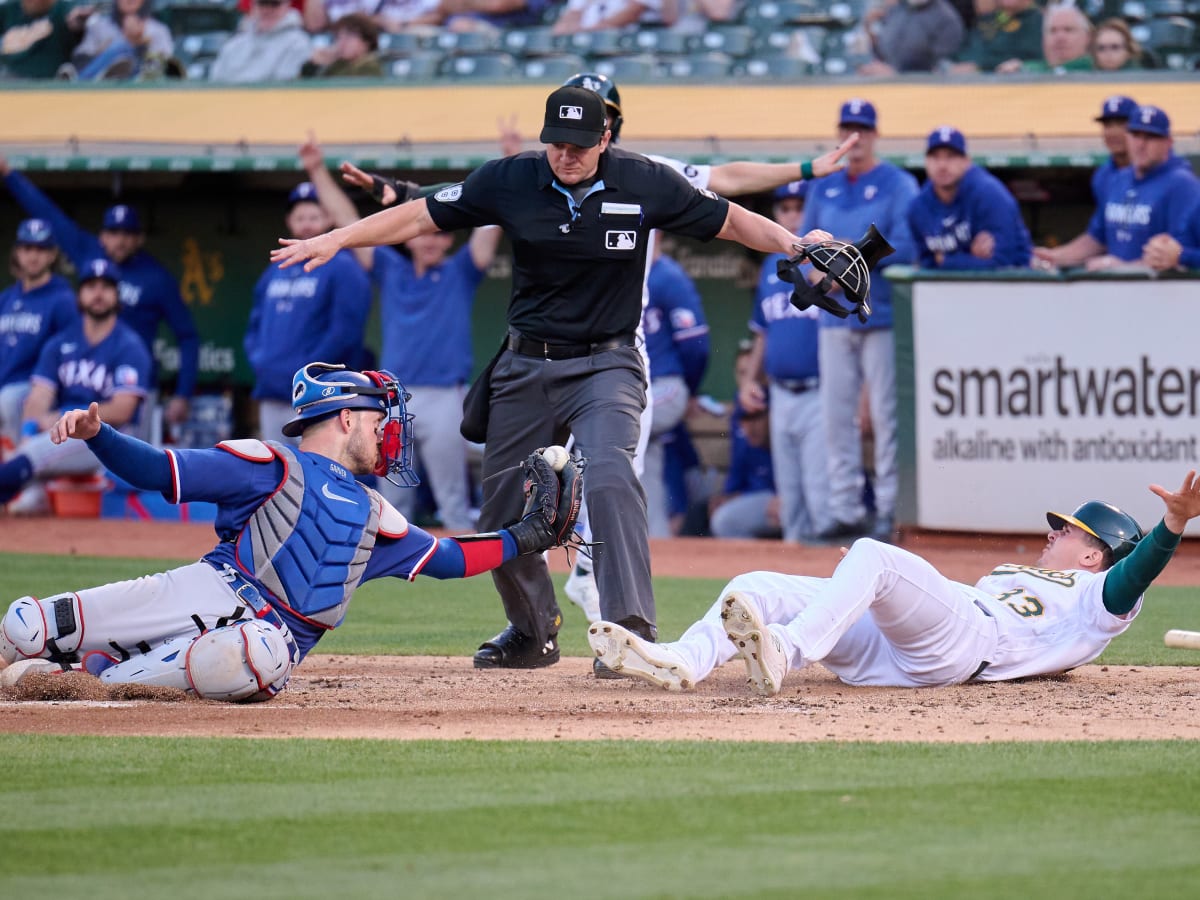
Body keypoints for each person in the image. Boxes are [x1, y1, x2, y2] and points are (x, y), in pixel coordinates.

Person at [271, 85, 834, 673]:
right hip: (525, 362)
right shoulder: (512, 178)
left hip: (607, 362)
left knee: (613, 473)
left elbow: (732, 221)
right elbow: (420, 214)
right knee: (500, 509)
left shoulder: (644, 180)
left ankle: (629, 634)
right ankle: (533, 630)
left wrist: (795, 244)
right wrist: (336, 236)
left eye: (580, 145)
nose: (566, 155)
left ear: (606, 140)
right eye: (557, 144)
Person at [0, 362, 582, 700]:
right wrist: (100, 435)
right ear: (346, 417)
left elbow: (449, 557)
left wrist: (527, 535)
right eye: (380, 421)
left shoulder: (376, 512)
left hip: (268, 641)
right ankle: (68, 663)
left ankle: (94, 678)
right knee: (23, 625)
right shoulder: (269, 464)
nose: (389, 435)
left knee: (251, 655)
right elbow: (159, 470)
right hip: (211, 588)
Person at [543, 72, 859, 649]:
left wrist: (805, 170)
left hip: (616, 346)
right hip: (543, 345)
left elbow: (728, 180)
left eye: (603, 111)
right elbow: (469, 199)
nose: (589, 124)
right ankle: (536, 611)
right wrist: (406, 192)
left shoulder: (643, 170)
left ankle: (590, 574)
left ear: (612, 123)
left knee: (618, 468)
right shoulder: (541, 171)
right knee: (536, 470)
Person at [587, 471, 1200, 694]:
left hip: (964, 647)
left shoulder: (1097, 598)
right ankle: (680, 661)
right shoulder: (1021, 573)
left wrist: (1171, 524)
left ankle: (788, 651)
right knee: (755, 583)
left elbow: (1136, 572)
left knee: (876, 556)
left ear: (1094, 557)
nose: (1051, 534)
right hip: (904, 649)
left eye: (1067, 532)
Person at [299, 133, 501, 530]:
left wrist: (508, 161)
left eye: (442, 233)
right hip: (394, 397)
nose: (432, 239)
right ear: (409, 236)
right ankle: (394, 576)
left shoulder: (460, 271)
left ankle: (463, 580)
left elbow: (491, 224)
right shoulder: (392, 269)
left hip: (445, 395)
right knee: (393, 501)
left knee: (452, 500)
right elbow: (345, 223)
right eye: (426, 231)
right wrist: (315, 171)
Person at [0, 154, 199, 443]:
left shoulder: (157, 278)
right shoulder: (87, 252)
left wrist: (182, 393)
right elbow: (48, 215)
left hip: (132, 383)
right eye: (113, 231)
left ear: (139, 239)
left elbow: (188, 336)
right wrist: (9, 175)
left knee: (133, 462)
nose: (119, 239)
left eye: (128, 233)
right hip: (86, 380)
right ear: (102, 236)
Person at [798, 100, 918, 543]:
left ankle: (888, 510)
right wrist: (818, 271)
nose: (857, 137)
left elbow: (905, 245)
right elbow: (804, 244)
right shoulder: (824, 186)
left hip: (880, 313)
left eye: (863, 129)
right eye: (849, 128)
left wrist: (849, 259)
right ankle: (844, 510)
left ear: (875, 134)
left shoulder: (897, 183)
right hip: (834, 318)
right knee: (836, 416)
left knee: (885, 416)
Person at [0, 258, 152, 511]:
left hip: (110, 439)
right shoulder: (60, 343)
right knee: (15, 400)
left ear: (117, 296)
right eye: (91, 286)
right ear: (79, 294)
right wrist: (27, 433)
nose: (98, 294)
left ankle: (18, 476)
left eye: (106, 287)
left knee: (43, 448)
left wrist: (67, 417)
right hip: (64, 433)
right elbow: (38, 397)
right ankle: (33, 488)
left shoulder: (129, 345)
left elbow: (122, 410)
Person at [737, 180, 829, 544]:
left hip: (820, 391)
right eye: (785, 208)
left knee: (820, 495)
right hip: (780, 393)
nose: (792, 215)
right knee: (791, 499)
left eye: (798, 207)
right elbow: (764, 332)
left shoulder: (830, 263)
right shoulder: (770, 266)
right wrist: (748, 380)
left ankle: (833, 585)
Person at [245, 181, 371, 444]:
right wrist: (261, 361)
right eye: (300, 217)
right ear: (289, 221)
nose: (306, 224)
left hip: (318, 394)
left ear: (328, 219)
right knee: (277, 472)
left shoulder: (344, 267)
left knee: (315, 472)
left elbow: (346, 332)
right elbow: (255, 324)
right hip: (272, 390)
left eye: (314, 216)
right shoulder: (276, 269)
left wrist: (307, 372)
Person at [1032, 106, 1200, 273]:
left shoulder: (1183, 185)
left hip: (1162, 291)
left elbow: (1173, 258)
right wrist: (1055, 256)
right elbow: (1097, 238)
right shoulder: (1118, 179)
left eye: (1151, 137)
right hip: (1116, 289)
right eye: (1135, 135)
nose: (1141, 144)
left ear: (1168, 142)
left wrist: (1123, 269)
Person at [641, 241, 709, 539]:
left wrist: (690, 390)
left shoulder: (667, 276)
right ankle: (655, 541)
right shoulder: (630, 274)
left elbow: (696, 345)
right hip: (638, 389)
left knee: (608, 425)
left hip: (665, 385)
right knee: (644, 463)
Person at [0, 219, 78, 454]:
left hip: (36, 389)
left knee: (10, 399)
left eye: (40, 249)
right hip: (6, 384)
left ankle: (20, 468)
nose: (33, 256)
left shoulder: (63, 299)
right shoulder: (6, 298)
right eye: (27, 248)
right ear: (18, 253)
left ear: (52, 254)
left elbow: (72, 352)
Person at [908, 126, 1032, 271]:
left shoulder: (990, 195)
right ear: (926, 162)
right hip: (947, 290)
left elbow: (1003, 262)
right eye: (935, 157)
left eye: (951, 156)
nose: (942, 165)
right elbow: (926, 263)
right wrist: (970, 256)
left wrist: (945, 260)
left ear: (966, 162)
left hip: (1014, 286)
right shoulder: (919, 206)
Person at [707, 399, 780, 540]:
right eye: (745, 420)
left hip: (792, 502)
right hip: (762, 502)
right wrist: (726, 498)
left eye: (756, 419)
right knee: (714, 515)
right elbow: (733, 487)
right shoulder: (744, 442)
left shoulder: (786, 440)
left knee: (724, 521)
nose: (750, 428)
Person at [208, 0, 312, 83]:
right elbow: (215, 83)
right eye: (262, 3)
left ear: (287, 6)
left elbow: (282, 87)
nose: (267, 9)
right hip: (226, 104)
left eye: (274, 4)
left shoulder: (298, 43)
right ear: (253, 5)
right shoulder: (234, 44)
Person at [70, 0, 173, 81]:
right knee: (121, 48)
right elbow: (81, 61)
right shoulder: (99, 26)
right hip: (97, 89)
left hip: (137, 90)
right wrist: (104, 54)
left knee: (124, 48)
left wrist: (139, 45)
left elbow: (162, 69)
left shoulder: (158, 30)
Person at [857, 0, 965, 76]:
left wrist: (896, 74)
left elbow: (943, 66)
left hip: (925, 88)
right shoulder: (897, 9)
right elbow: (885, 50)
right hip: (885, 79)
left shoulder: (947, 18)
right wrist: (869, 31)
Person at [0, 0, 90, 79]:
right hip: (7, 82)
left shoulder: (63, 10)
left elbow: (77, 15)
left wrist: (78, 19)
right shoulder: (9, 10)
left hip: (47, 86)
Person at [996, 2, 1092, 74]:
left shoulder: (1101, 68)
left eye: (1068, 30)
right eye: (1052, 31)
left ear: (1087, 37)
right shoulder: (1025, 69)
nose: (1059, 37)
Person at [949, 0, 1042, 73]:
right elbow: (964, 51)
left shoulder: (1038, 21)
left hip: (1016, 85)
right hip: (967, 83)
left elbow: (1030, 56)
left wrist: (980, 66)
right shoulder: (988, 20)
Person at [300, 12, 382, 77]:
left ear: (366, 42)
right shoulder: (337, 65)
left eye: (349, 36)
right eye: (339, 37)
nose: (342, 42)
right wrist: (313, 64)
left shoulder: (370, 66)